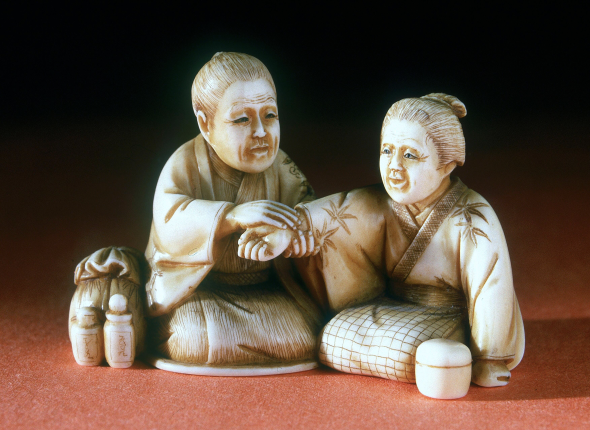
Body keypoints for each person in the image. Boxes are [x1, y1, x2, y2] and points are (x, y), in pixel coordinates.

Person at [239, 93, 525, 387]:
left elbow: (491, 285)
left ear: (446, 165)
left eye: (410, 155)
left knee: (410, 350)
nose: (394, 166)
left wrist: (488, 357)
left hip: (453, 316)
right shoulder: (381, 203)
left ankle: (456, 357)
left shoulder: (472, 217)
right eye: (387, 151)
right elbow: (336, 212)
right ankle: (438, 362)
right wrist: (289, 231)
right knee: (332, 336)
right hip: (392, 307)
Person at [71, 52, 321, 372]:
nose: (260, 131)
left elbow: (311, 217)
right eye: (242, 119)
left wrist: (296, 239)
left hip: (269, 293)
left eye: (270, 115)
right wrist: (230, 217)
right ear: (206, 124)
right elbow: (170, 221)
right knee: (191, 338)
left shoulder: (283, 168)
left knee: (305, 334)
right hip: (200, 295)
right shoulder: (185, 165)